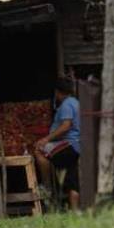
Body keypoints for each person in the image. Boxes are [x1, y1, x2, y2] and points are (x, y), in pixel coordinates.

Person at [35, 76, 81, 211]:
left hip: (70, 143)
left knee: (40, 150)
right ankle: (74, 211)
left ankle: (47, 186)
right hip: (77, 146)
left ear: (58, 92)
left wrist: (46, 139)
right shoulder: (75, 102)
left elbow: (66, 126)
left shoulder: (67, 104)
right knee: (72, 178)